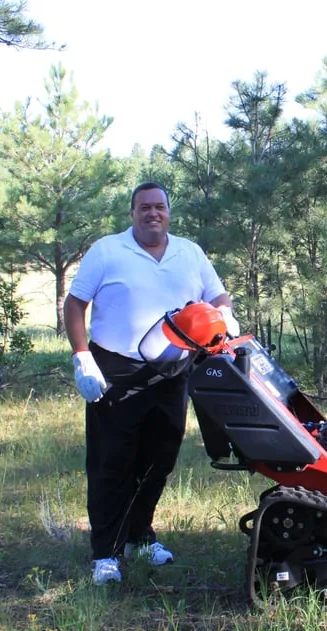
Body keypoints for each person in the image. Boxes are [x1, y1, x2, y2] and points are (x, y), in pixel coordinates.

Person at [63, 182, 239, 585]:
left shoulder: (189, 253)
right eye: (144, 207)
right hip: (116, 370)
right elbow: (75, 304)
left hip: (174, 371)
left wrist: (225, 317)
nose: (152, 213)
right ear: (132, 213)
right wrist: (82, 356)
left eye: (159, 206)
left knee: (159, 460)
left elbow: (218, 296)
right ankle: (106, 553)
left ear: (169, 213)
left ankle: (139, 537)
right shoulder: (107, 251)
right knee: (112, 461)